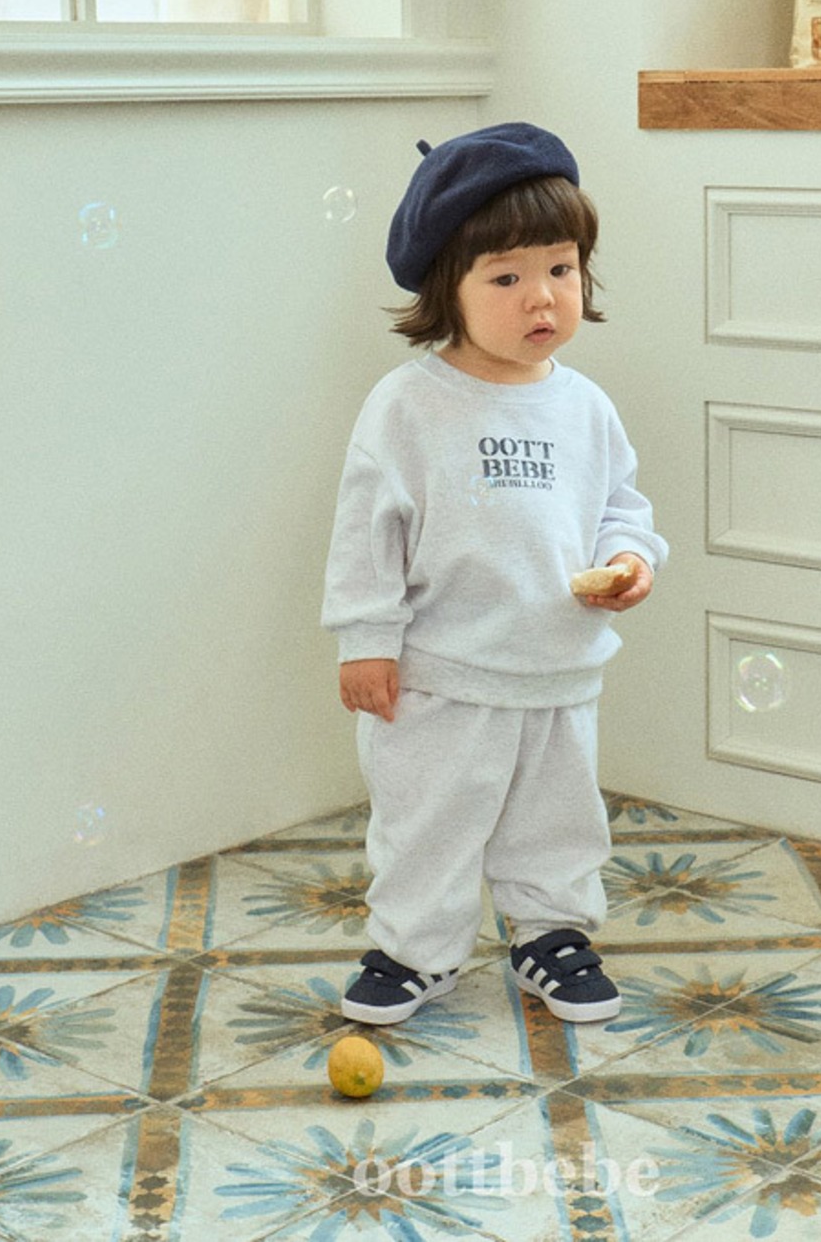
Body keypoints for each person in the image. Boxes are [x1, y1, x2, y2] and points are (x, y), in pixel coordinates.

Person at [321, 122, 667, 1026]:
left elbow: (620, 506)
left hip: (558, 670)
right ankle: (414, 948)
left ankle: (552, 934)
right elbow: (367, 534)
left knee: (557, 820)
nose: (541, 295)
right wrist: (365, 640)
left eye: (560, 268)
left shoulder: (585, 407)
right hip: (440, 677)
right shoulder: (409, 406)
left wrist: (630, 559)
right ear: (449, 288)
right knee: (426, 822)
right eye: (506, 278)